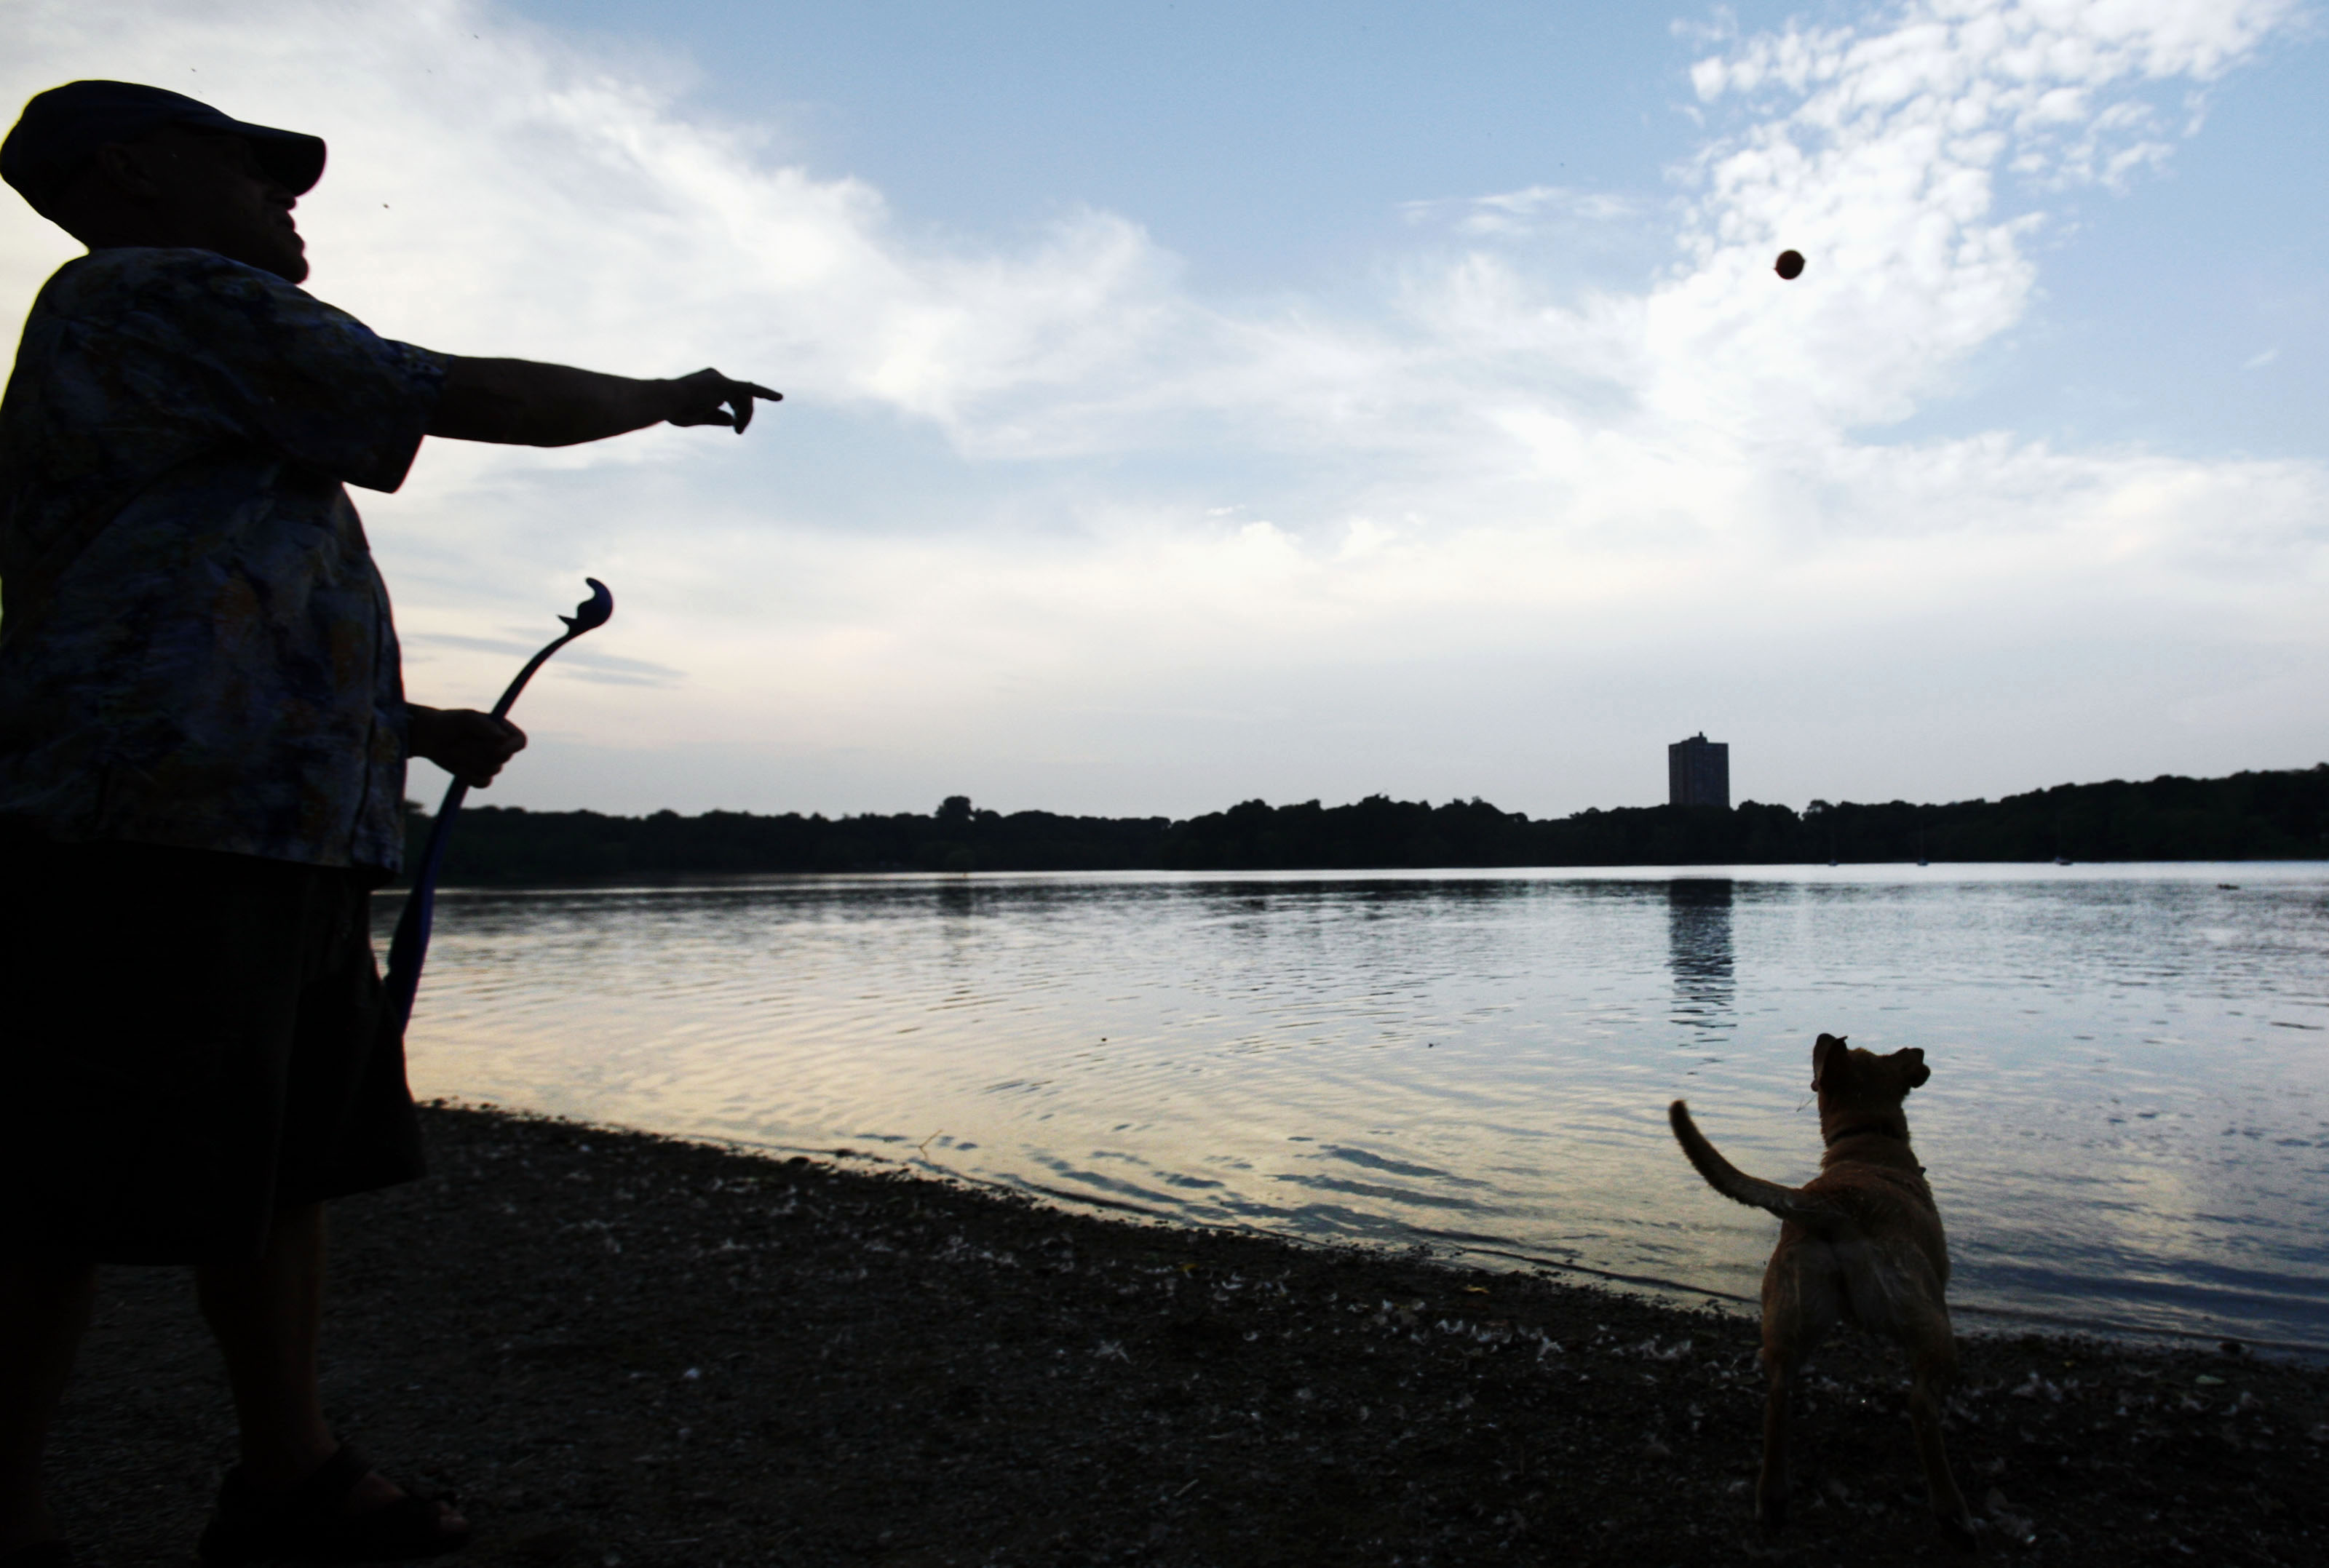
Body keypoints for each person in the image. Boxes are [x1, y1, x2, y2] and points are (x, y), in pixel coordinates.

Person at [0, 81, 781, 1566]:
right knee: (53, 1182)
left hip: (264, 821)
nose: (288, 204)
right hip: (148, 831)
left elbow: (202, 603)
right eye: (250, 171)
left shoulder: (189, 363)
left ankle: (285, 1475)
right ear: (131, 174)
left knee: (284, 1163)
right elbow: (467, 397)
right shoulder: (151, 289)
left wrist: (403, 731)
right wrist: (663, 395)